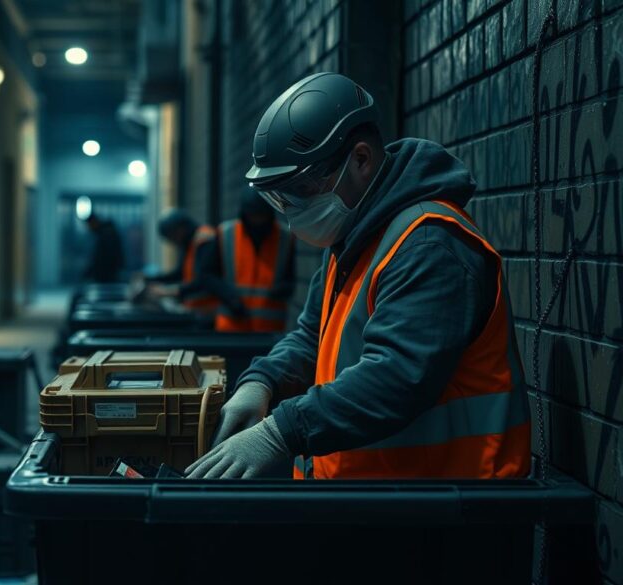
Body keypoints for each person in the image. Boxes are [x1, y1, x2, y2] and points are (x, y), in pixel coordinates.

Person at [187, 72, 530, 480]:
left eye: (301, 189)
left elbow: (397, 376)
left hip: (445, 511)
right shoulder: (354, 238)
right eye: (279, 198)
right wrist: (263, 381)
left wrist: (281, 433)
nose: (292, 210)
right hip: (377, 502)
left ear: (361, 160)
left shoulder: (427, 245)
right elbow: (311, 336)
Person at [198, 190, 296, 332]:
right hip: (231, 326)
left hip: (270, 330)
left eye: (261, 216)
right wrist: (230, 298)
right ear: (244, 214)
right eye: (253, 216)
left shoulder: (285, 237)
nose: (257, 221)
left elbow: (290, 278)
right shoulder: (226, 234)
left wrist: (282, 290)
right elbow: (207, 274)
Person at [143, 209, 219, 314]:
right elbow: (180, 273)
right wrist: (150, 279)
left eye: (172, 237)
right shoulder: (189, 243)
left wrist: (168, 291)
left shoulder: (204, 239)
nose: (173, 242)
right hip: (195, 308)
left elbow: (204, 280)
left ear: (180, 229)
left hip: (209, 310)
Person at [82, 211, 124, 283]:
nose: (89, 228)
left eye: (89, 225)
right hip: (109, 273)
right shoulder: (105, 233)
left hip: (107, 274)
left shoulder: (106, 234)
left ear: (94, 222)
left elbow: (103, 257)